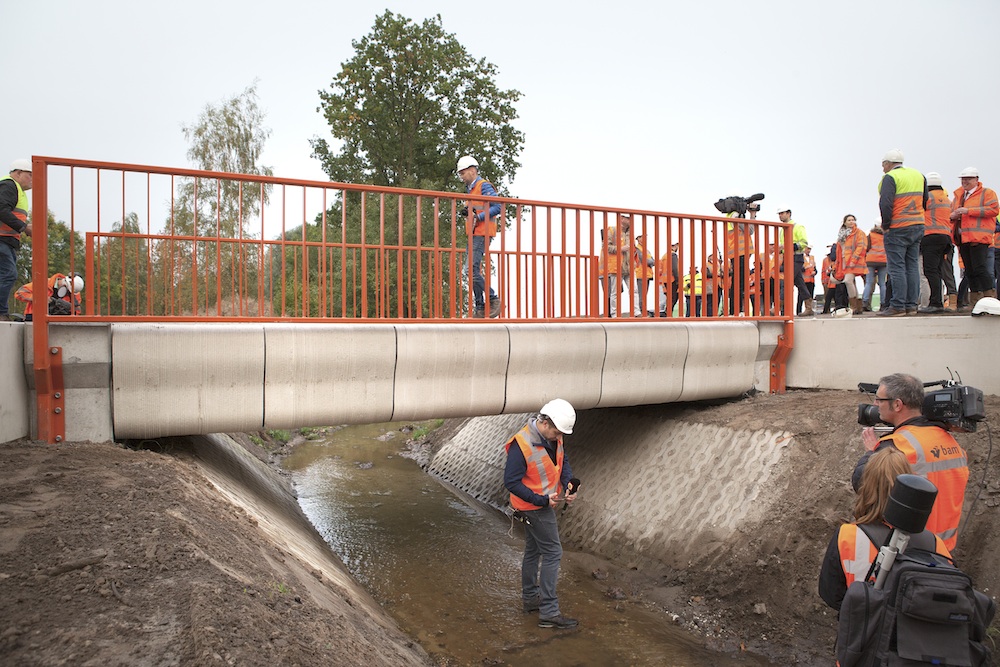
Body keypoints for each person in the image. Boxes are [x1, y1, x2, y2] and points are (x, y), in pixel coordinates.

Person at [818, 447, 950, 611]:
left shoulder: (847, 536)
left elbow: (831, 594)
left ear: (866, 486)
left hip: (863, 628)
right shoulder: (935, 544)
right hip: (912, 633)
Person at [852, 373, 969, 551]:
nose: (875, 405)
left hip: (909, 550)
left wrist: (872, 453)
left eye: (879, 400)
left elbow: (862, 482)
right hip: (944, 551)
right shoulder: (950, 442)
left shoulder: (900, 444)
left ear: (897, 404)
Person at [503, 398, 580, 629]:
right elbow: (511, 482)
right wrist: (541, 500)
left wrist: (568, 483)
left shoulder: (554, 437)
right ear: (545, 422)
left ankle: (530, 600)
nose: (559, 437)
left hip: (542, 504)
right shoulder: (521, 445)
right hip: (533, 507)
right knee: (553, 553)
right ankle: (549, 612)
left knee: (534, 550)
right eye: (556, 432)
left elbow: (562, 462)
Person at [878, 149, 928, 317]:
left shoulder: (890, 178)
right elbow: (925, 200)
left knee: (897, 267)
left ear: (888, 163)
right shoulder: (919, 176)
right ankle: (911, 305)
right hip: (917, 225)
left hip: (898, 227)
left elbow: (886, 203)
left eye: (883, 165)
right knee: (912, 265)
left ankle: (898, 305)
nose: (883, 168)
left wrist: (885, 225)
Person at [456, 155, 502, 319]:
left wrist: (479, 217)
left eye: (463, 173)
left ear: (472, 171)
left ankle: (493, 299)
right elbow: (477, 208)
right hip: (474, 233)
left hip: (482, 233)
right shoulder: (471, 189)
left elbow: (498, 206)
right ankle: (480, 307)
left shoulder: (484, 186)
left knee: (470, 270)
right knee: (472, 270)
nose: (461, 177)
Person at [949, 167, 999, 312]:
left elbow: (993, 210)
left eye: (968, 179)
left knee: (981, 269)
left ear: (976, 180)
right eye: (963, 179)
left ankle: (990, 300)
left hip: (979, 238)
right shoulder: (959, 196)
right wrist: (953, 216)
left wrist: (968, 211)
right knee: (970, 271)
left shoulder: (987, 193)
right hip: (963, 239)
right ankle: (975, 302)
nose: (965, 182)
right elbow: (951, 213)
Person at [0, 159, 34, 321]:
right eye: (30, 175)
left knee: (6, 274)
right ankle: (1, 313)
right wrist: (24, 227)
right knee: (8, 274)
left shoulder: (16, 189)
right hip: (2, 239)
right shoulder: (9, 186)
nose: (32, 179)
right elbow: (2, 210)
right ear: (18, 173)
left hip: (7, 240)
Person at [918, 172, 954, 314]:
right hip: (945, 238)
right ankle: (938, 301)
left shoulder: (927, 198)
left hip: (930, 237)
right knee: (938, 271)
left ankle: (935, 303)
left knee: (930, 271)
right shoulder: (946, 199)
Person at [600, 213, 639, 317]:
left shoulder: (630, 233)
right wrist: (620, 249)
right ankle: (615, 314)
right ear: (621, 219)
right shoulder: (612, 230)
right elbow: (606, 247)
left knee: (634, 290)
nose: (630, 220)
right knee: (615, 292)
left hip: (629, 266)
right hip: (616, 267)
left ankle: (636, 312)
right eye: (628, 218)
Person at [776, 206, 810, 316]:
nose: (780, 216)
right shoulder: (782, 229)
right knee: (800, 283)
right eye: (779, 214)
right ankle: (809, 307)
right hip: (788, 258)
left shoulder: (797, 227)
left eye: (782, 213)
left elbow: (803, 243)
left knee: (787, 281)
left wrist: (787, 247)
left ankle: (777, 308)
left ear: (789, 213)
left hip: (796, 257)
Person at [835, 215, 868, 314]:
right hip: (844, 261)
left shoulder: (859, 233)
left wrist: (854, 259)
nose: (851, 222)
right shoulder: (842, 235)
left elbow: (861, 246)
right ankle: (858, 307)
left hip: (854, 261)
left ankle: (854, 306)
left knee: (848, 281)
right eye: (849, 220)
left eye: (853, 220)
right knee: (851, 282)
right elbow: (839, 250)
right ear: (844, 222)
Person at [633, 234, 664, 317]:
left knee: (644, 295)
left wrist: (652, 261)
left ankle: (642, 311)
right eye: (643, 237)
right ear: (638, 239)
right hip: (640, 274)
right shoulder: (637, 249)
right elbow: (645, 260)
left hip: (647, 275)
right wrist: (653, 262)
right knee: (641, 295)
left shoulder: (646, 250)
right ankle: (640, 312)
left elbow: (652, 260)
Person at [862, 224, 887, 312]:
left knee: (869, 282)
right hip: (883, 261)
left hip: (871, 261)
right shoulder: (886, 235)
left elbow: (866, 248)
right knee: (882, 283)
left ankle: (865, 302)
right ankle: (883, 303)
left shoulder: (870, 235)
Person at [658, 241, 680, 316]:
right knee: (674, 298)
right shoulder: (673, 255)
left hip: (666, 279)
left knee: (670, 298)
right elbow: (674, 268)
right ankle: (668, 314)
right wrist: (678, 280)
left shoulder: (665, 256)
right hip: (672, 279)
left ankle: (667, 313)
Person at [801, 246, 817, 314]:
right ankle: (799, 311)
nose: (809, 250)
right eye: (807, 248)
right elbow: (800, 269)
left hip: (811, 280)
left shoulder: (812, 258)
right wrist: (805, 268)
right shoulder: (801, 258)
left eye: (810, 249)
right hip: (803, 281)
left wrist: (815, 272)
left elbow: (815, 268)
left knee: (810, 296)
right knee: (801, 297)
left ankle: (810, 310)